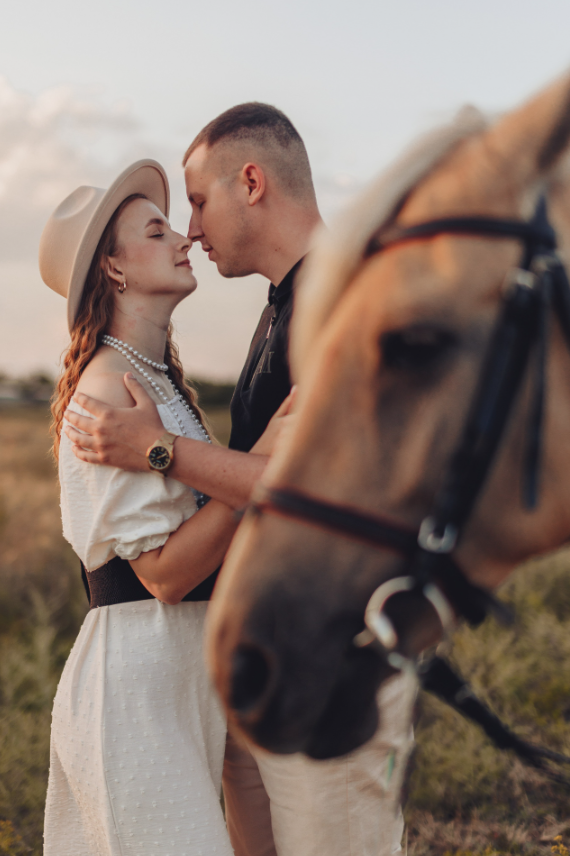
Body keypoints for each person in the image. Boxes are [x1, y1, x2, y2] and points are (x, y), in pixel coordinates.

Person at [64, 106, 415, 856]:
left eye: (195, 203)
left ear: (251, 183)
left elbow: (327, 490)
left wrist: (161, 451)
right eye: (167, 223)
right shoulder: (278, 314)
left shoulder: (340, 304)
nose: (190, 231)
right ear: (114, 270)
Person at [39, 159, 289, 856]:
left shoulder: (157, 383)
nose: (184, 238)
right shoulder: (107, 392)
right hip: (133, 700)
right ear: (114, 269)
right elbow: (165, 576)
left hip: (179, 689)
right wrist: (260, 468)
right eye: (156, 232)